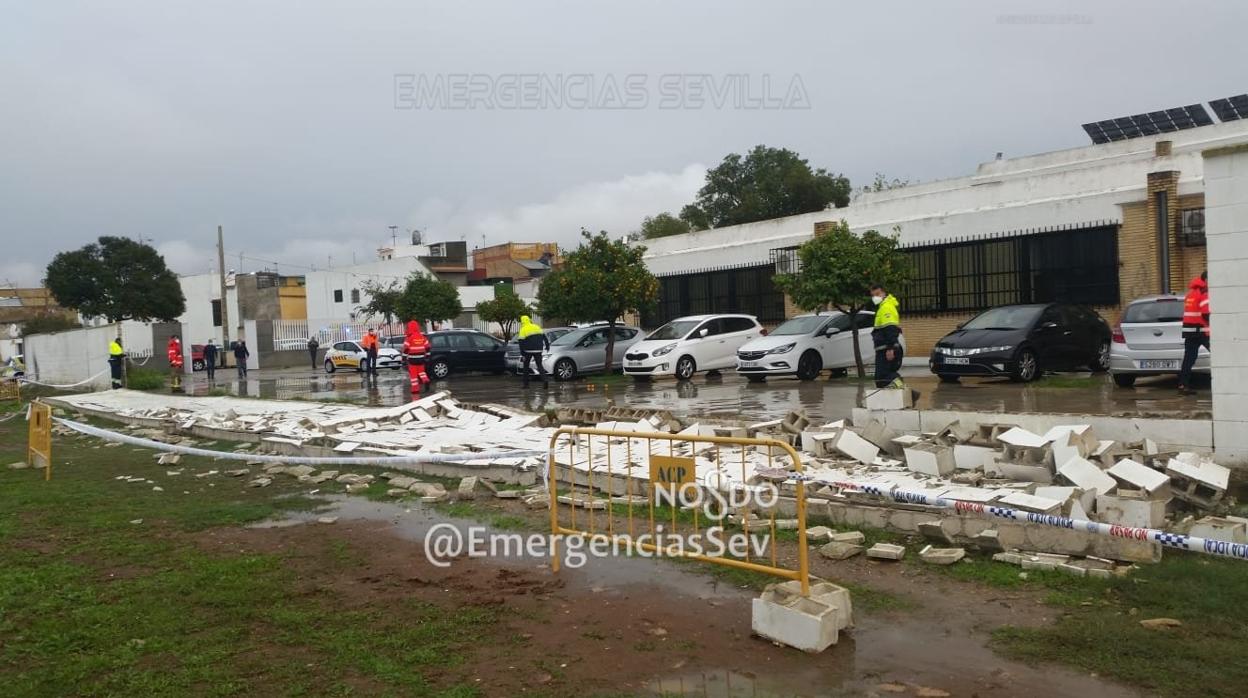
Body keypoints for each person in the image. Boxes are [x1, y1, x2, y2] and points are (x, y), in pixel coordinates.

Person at [1179, 271, 1210, 393]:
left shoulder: (1190, 294)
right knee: (1221, 355)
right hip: (1202, 331)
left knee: (1189, 359)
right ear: (1206, 279)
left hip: (1190, 331)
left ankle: (1183, 385)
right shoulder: (1204, 293)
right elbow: (1206, 313)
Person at [869, 284, 904, 389]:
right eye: (873, 295)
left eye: (877, 294)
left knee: (882, 378)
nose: (875, 297)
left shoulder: (886, 307)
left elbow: (890, 329)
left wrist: (890, 348)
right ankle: (903, 389)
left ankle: (905, 389)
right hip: (883, 349)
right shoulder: (883, 307)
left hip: (886, 350)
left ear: (884, 293)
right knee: (882, 379)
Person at [517, 315, 550, 387]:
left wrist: (522, 353)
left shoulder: (523, 329)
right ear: (529, 320)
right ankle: (545, 380)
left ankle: (526, 385)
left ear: (522, 322)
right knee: (539, 365)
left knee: (525, 367)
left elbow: (521, 342)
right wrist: (547, 346)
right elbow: (544, 337)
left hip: (527, 351)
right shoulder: (536, 326)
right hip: (538, 350)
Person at [401, 320, 431, 395]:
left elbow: (406, 349)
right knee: (422, 372)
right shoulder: (422, 337)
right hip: (421, 358)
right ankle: (426, 380)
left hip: (412, 359)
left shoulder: (409, 338)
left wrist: (403, 359)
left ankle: (415, 390)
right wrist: (427, 356)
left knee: (413, 375)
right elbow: (428, 347)